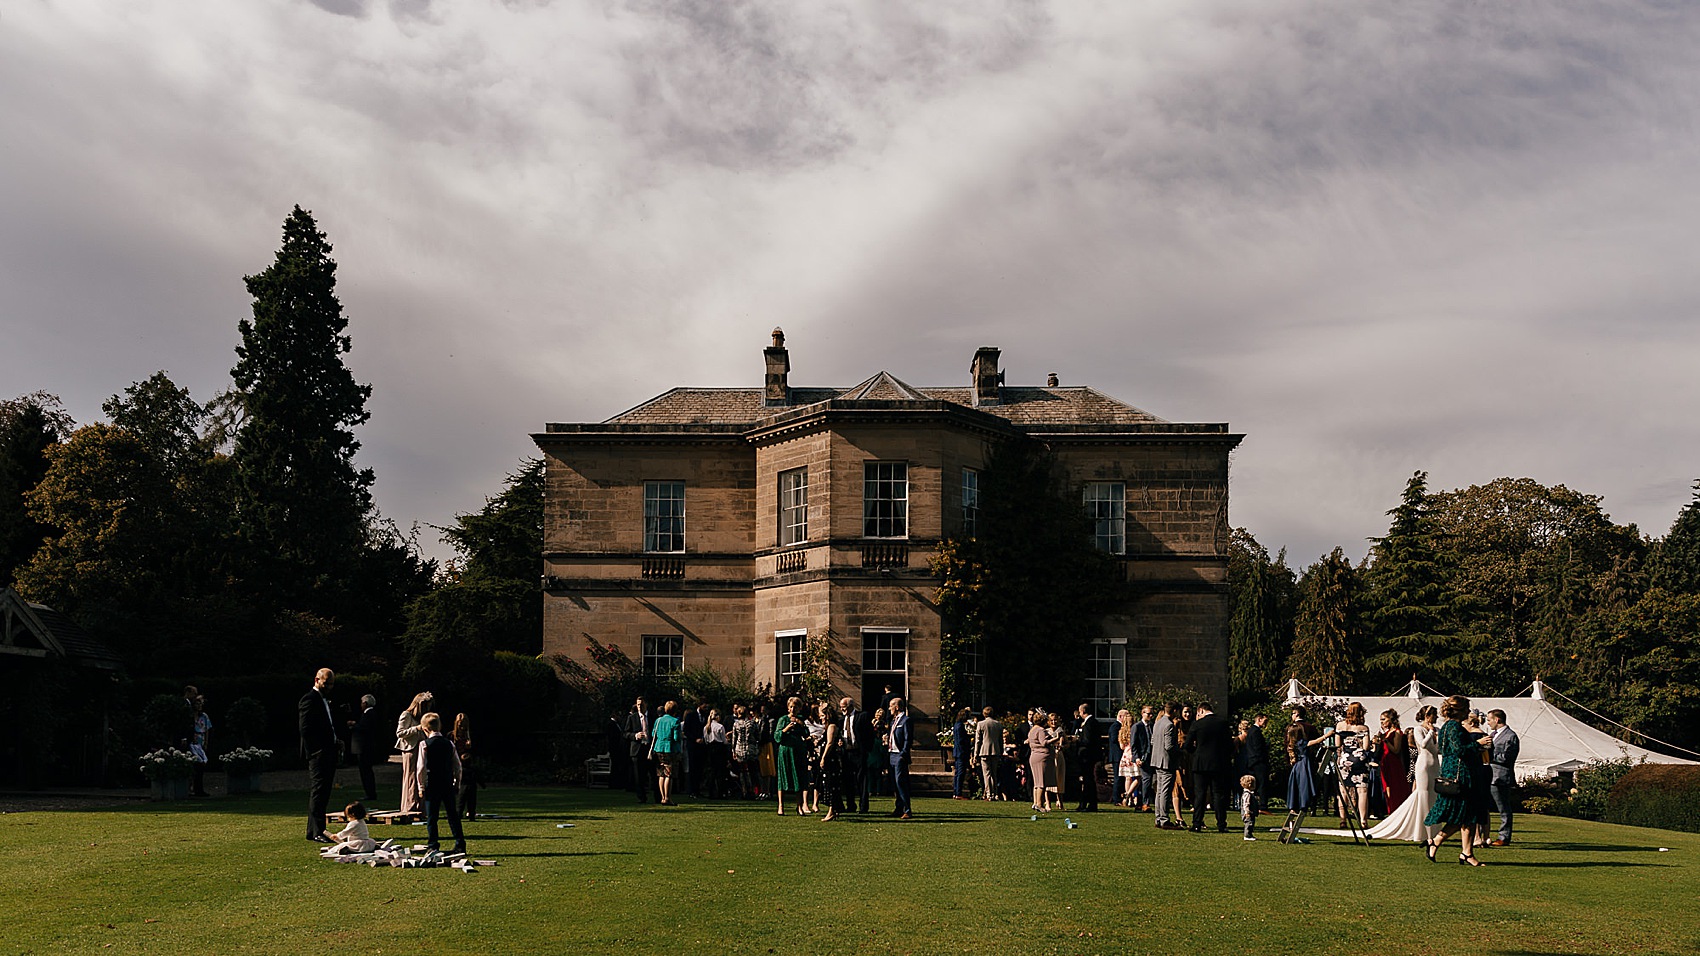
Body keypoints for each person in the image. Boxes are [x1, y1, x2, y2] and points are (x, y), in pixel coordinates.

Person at [1423, 695, 1484, 866]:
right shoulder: (1455, 727)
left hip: (1450, 771)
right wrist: (1478, 744)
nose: (1469, 712)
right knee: (1466, 813)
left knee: (1464, 815)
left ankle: (1463, 851)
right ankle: (1458, 849)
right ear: (1460, 710)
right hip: (1461, 773)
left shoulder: (1446, 727)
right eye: (1466, 709)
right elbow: (1459, 750)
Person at [1368, 705, 1441, 843]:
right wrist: (1431, 733)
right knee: (1423, 795)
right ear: (1427, 716)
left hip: (1434, 764)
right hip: (1423, 764)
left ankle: (1434, 829)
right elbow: (1422, 745)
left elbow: (1437, 749)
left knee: (1433, 796)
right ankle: (1422, 830)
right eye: (1434, 715)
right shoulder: (1419, 729)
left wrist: (1436, 736)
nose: (1436, 718)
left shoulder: (1434, 730)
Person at [416, 712, 466, 854]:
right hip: (447, 782)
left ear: (425, 729)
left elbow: (421, 767)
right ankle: (460, 843)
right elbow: (457, 766)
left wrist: (420, 786)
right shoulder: (449, 744)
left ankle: (433, 844)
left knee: (432, 817)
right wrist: (457, 782)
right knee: (452, 815)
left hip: (432, 784)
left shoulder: (424, 744)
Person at [298, 667, 338, 843]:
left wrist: (336, 740)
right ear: (317, 680)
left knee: (324, 791)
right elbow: (305, 729)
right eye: (326, 683)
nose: (329, 686)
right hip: (318, 754)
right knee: (319, 791)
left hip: (328, 750)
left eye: (331, 684)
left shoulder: (323, 700)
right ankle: (316, 831)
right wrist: (317, 750)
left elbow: (327, 726)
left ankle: (316, 828)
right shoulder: (309, 699)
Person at [1187, 702, 1236, 833]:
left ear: (1201, 711)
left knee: (1200, 795)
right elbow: (1230, 745)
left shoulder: (1197, 724)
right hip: (1218, 763)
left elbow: (1187, 745)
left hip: (1200, 764)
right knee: (1218, 794)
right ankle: (1221, 824)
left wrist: (1196, 751)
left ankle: (1197, 823)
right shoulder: (1223, 723)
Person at [1283, 706, 1329, 822]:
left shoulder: (1292, 736)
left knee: (1296, 785)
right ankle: (1307, 805)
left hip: (1296, 763)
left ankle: (1295, 806)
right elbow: (1314, 742)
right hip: (1305, 763)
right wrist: (1326, 736)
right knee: (1305, 784)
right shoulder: (1306, 733)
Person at [1485, 709, 1521, 847]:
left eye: (1489, 720)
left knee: (1503, 808)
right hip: (1489, 774)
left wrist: (1488, 754)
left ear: (1497, 720)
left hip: (1500, 776)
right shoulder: (1493, 735)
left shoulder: (1510, 736)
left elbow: (1507, 758)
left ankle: (1504, 837)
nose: (1488, 723)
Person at [1335, 703, 1372, 828]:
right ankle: (1363, 820)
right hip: (1359, 759)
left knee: (1343, 791)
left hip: (1345, 759)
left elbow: (1337, 744)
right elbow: (1366, 747)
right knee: (1362, 791)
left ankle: (1343, 820)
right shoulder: (1363, 728)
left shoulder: (1340, 726)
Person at [395, 691, 433, 814]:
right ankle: (410, 806)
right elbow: (400, 733)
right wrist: (416, 729)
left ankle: (420, 807)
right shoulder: (406, 715)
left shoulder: (423, 717)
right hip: (410, 749)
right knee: (411, 777)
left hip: (421, 747)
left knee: (421, 777)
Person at [774, 696, 810, 816]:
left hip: (798, 751)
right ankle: (781, 805)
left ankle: (799, 806)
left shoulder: (801, 720)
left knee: (798, 777)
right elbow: (777, 736)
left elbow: (806, 735)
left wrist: (801, 725)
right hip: (785, 751)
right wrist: (785, 729)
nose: (793, 709)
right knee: (783, 777)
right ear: (788, 708)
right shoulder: (783, 719)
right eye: (791, 707)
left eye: (795, 707)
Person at [1150, 703, 1183, 830]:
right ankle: (1164, 819)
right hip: (1166, 761)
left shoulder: (1158, 723)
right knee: (1164, 791)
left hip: (1157, 760)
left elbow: (1153, 741)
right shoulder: (1169, 725)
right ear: (1174, 711)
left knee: (1159, 791)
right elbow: (1169, 746)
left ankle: (1158, 817)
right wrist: (1179, 750)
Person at [840, 697, 875, 812]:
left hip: (859, 752)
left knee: (862, 781)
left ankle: (864, 806)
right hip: (846, 753)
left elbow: (870, 734)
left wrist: (866, 750)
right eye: (841, 708)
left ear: (850, 706)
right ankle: (850, 805)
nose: (842, 710)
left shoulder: (862, 716)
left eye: (844, 708)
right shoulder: (842, 720)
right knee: (848, 781)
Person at [1375, 709, 1411, 817]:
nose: (1381, 722)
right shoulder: (1387, 733)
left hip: (1393, 763)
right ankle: (1390, 809)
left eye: (1383, 719)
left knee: (1395, 788)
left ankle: (1395, 810)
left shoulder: (1397, 732)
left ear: (1390, 719)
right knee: (1387, 788)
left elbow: (1396, 749)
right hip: (1385, 763)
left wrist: (1385, 741)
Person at [623, 697, 657, 804]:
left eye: (641, 705)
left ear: (646, 705)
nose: (639, 707)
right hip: (638, 749)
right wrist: (635, 735)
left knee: (654, 774)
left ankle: (658, 797)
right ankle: (642, 797)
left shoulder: (652, 717)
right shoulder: (632, 718)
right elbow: (625, 733)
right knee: (639, 776)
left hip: (650, 748)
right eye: (638, 705)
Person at [349, 694, 383, 802]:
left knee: (365, 771)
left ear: (365, 703)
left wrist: (354, 725)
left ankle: (370, 793)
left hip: (364, 747)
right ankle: (370, 792)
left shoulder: (369, 714)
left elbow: (364, 729)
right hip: (366, 747)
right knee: (366, 771)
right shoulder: (371, 714)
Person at [816, 699, 844, 822]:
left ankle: (832, 810)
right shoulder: (828, 726)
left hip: (830, 760)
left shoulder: (832, 726)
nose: (821, 718)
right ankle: (834, 810)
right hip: (829, 759)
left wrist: (823, 758)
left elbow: (830, 743)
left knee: (831, 785)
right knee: (828, 784)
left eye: (822, 716)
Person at [651, 700, 683, 806]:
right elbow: (676, 737)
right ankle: (667, 798)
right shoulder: (675, 721)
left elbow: (653, 734)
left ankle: (662, 797)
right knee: (669, 774)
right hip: (670, 749)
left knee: (661, 774)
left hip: (659, 748)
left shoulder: (658, 720)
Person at [1026, 710, 1057, 812]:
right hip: (1042, 757)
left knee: (1036, 782)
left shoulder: (1032, 730)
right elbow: (1044, 743)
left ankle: (1035, 803)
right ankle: (1039, 804)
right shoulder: (1040, 730)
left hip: (1034, 756)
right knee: (1041, 782)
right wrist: (1056, 738)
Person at [1073, 703, 1103, 812]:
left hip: (1088, 756)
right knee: (1088, 781)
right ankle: (1089, 804)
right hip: (1091, 756)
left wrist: (1077, 740)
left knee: (1088, 781)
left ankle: (1088, 804)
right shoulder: (1093, 722)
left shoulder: (1089, 723)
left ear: (1083, 712)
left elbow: (1088, 740)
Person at [1237, 714, 1271, 805]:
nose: (1266, 723)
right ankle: (1263, 805)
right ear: (1259, 719)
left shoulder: (1252, 731)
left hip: (1253, 761)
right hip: (1258, 761)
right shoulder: (1256, 732)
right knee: (1262, 783)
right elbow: (1257, 748)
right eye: (1265, 721)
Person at [888, 696, 913, 819]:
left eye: (891, 706)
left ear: (896, 707)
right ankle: (898, 808)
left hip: (899, 755)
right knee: (894, 783)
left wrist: (903, 753)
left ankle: (907, 810)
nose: (889, 709)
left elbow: (908, 739)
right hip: (891, 754)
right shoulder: (893, 721)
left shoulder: (906, 720)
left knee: (901, 782)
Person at [452, 713, 479, 821]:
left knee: (469, 791)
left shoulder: (469, 737)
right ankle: (458, 811)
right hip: (455, 764)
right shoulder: (451, 736)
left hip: (467, 766)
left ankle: (469, 811)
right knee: (458, 791)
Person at [730, 703, 760, 799]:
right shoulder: (752, 723)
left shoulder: (736, 724)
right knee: (752, 771)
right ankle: (753, 791)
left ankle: (744, 791)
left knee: (742, 772)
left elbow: (734, 739)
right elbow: (757, 736)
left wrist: (733, 751)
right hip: (750, 749)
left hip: (739, 749)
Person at [974, 707, 1004, 801]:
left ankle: (988, 794)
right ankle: (995, 793)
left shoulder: (981, 724)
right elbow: (1000, 740)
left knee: (987, 774)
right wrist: (1001, 751)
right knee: (994, 773)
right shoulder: (998, 724)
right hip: (995, 751)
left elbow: (978, 741)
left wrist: (976, 754)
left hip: (984, 751)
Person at [1132, 705, 1154, 812]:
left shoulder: (1152, 726)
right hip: (1142, 757)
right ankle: (1145, 803)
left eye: (1151, 714)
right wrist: (1136, 757)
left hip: (1151, 757)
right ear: (1142, 713)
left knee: (1146, 780)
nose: (1150, 716)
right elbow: (1134, 744)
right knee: (1146, 779)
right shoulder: (1137, 726)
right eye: (1148, 713)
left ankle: (1140, 803)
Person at [704, 708, 729, 799]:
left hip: (710, 748)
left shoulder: (706, 727)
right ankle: (720, 792)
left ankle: (711, 791)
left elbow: (706, 740)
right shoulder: (720, 727)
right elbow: (724, 741)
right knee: (720, 772)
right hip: (719, 749)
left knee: (712, 771)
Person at [189, 695, 211, 797]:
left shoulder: (204, 716)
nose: (199, 706)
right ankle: (192, 787)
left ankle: (199, 788)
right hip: (192, 742)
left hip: (200, 741)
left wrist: (206, 743)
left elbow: (207, 730)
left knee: (201, 765)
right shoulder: (190, 716)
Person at [1116, 711, 1139, 807]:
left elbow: (1121, 746)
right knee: (1138, 777)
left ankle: (1129, 799)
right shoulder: (1135, 730)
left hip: (1125, 756)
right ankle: (1129, 794)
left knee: (1127, 778)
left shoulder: (1121, 732)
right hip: (1133, 755)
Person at [951, 708, 974, 799]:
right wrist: (969, 738)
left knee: (958, 773)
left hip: (957, 752)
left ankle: (956, 792)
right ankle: (958, 793)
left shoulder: (957, 725)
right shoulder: (960, 726)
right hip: (961, 752)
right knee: (960, 773)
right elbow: (961, 740)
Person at [1239, 773, 1261, 841]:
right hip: (1248, 812)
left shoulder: (1250, 793)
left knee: (1251, 823)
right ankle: (1247, 835)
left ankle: (1250, 834)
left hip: (1251, 812)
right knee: (1249, 823)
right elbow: (1246, 804)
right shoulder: (1247, 794)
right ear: (1249, 784)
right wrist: (1247, 812)